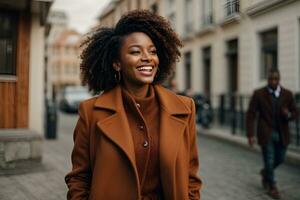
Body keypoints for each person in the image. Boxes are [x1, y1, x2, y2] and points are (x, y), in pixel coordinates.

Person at [65, 10, 202, 200]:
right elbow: (79, 178)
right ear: (117, 63)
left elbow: (191, 177)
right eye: (136, 52)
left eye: (152, 51)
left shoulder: (185, 108)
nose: (147, 57)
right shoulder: (90, 112)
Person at [246, 68, 298, 199]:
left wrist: (289, 114)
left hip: (282, 133)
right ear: (267, 79)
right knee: (269, 159)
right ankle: (272, 186)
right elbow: (251, 114)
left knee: (280, 159)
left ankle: (265, 173)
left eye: (276, 79)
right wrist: (250, 134)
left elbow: (296, 113)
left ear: (279, 80)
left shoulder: (288, 94)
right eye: (271, 79)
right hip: (266, 132)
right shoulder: (259, 94)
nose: (273, 81)